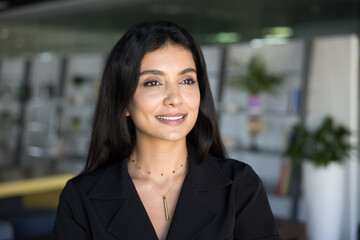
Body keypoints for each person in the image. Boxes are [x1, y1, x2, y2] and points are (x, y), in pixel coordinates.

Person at [52, 21, 280, 240]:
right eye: (153, 82)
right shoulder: (80, 198)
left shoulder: (239, 185)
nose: (175, 99)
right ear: (123, 102)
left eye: (187, 80)